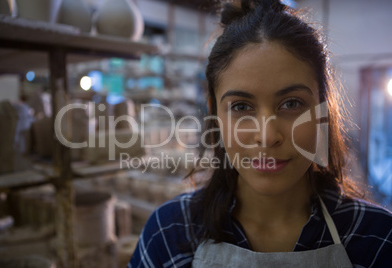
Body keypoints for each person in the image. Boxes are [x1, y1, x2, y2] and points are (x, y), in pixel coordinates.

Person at [128, 0, 392, 267]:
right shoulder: (169, 233)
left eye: (291, 103)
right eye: (241, 107)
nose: (266, 136)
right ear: (214, 114)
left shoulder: (377, 239)